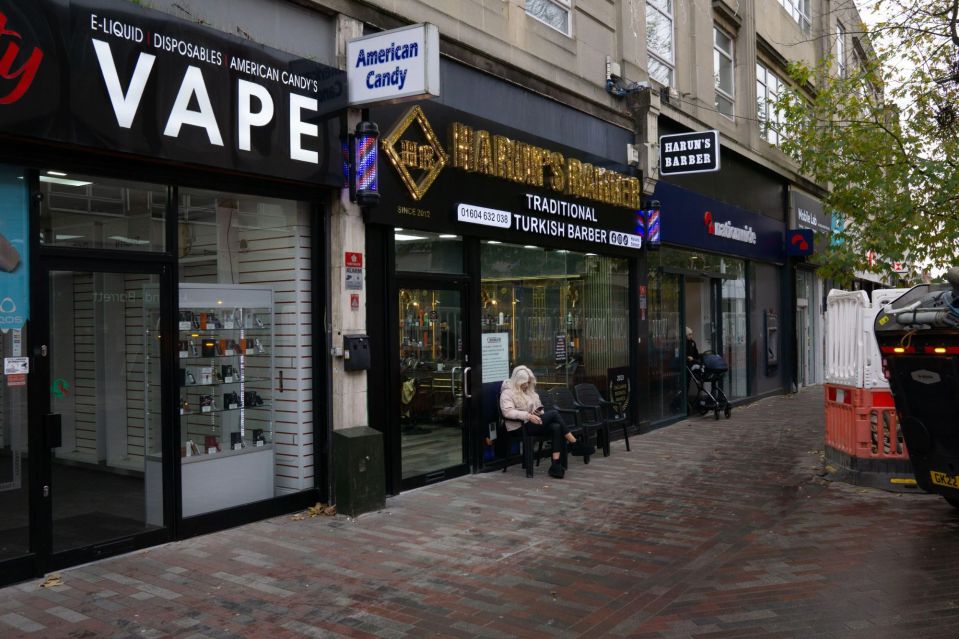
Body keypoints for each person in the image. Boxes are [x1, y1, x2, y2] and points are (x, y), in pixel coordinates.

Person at [500, 365, 577, 479]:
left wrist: (538, 412)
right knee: (554, 413)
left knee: (556, 427)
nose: (526, 385)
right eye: (524, 383)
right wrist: (528, 416)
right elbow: (508, 412)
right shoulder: (507, 393)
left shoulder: (529, 392)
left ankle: (555, 465)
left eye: (528, 382)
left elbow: (540, 407)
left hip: (532, 424)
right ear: (517, 381)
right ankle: (574, 442)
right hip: (518, 427)